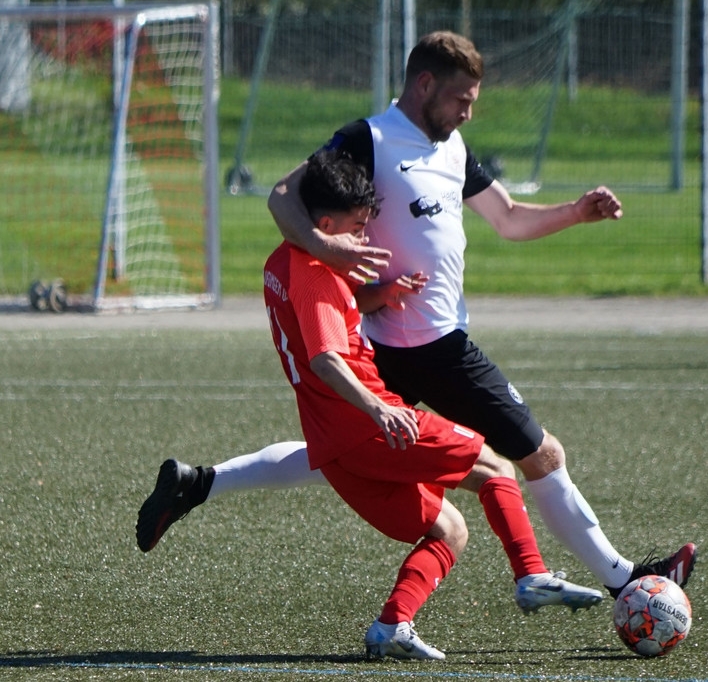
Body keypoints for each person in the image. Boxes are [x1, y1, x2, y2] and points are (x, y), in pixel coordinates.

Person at [137, 30, 696, 600]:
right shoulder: (369, 139)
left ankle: (198, 484)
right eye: (460, 99)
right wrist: (327, 248)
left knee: (335, 452)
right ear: (424, 84)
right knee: (541, 453)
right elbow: (283, 194)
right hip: (428, 347)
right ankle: (623, 579)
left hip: (388, 341)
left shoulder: (452, 148)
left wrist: (575, 212)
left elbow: (508, 219)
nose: (467, 113)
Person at [138, 152, 602, 661]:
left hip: (335, 447)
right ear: (325, 226)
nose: (364, 238)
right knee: (496, 467)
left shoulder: (282, 263)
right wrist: (379, 409)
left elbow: (325, 315)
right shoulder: (316, 273)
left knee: (450, 530)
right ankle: (531, 573)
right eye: (358, 228)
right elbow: (325, 358)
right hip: (369, 425)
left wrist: (380, 295)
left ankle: (391, 626)